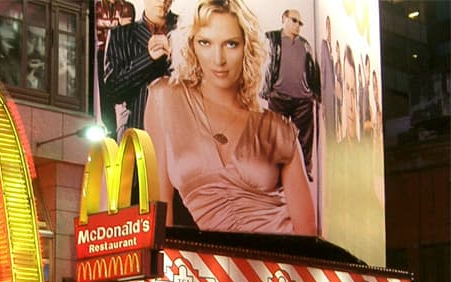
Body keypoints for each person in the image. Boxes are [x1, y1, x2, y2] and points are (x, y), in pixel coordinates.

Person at [144, 0, 316, 235]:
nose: (218, 59)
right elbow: (160, 215)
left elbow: (307, 235)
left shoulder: (277, 128)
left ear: (248, 47)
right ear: (192, 45)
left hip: (278, 264)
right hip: (212, 266)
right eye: (205, 42)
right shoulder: (165, 98)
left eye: (231, 44)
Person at [103, 0, 178, 140]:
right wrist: (148, 58)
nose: (162, 1)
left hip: (180, 136)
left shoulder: (189, 32)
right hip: (136, 134)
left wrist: (175, 55)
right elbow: (112, 90)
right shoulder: (121, 35)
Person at [263, 8, 321, 181]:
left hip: (302, 98)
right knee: (275, 136)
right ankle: (273, 171)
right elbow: (265, 65)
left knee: (305, 137)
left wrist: (315, 94)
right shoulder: (272, 38)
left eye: (300, 23)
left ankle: (305, 169)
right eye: (294, 20)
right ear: (284, 19)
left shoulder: (305, 44)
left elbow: (313, 70)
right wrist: (267, 90)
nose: (297, 25)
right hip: (279, 96)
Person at [95, 0, 136, 135]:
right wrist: (117, 23)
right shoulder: (98, 5)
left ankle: (123, 125)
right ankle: (110, 128)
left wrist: (110, 25)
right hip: (102, 52)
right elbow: (96, 23)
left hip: (121, 52)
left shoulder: (127, 7)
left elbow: (129, 28)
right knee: (104, 92)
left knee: (122, 89)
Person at [319, 16, 337, 144]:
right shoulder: (323, 46)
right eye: (327, 25)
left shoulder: (331, 50)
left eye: (330, 25)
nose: (329, 28)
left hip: (333, 98)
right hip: (327, 98)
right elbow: (323, 73)